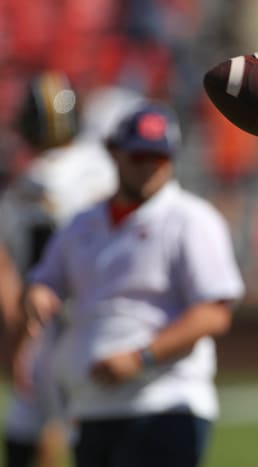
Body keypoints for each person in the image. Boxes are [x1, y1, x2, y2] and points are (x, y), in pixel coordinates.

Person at [21, 101, 246, 467]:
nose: (149, 167)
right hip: (91, 403)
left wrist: (141, 356)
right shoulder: (83, 223)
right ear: (114, 153)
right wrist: (39, 294)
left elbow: (213, 312)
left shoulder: (191, 219)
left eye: (158, 158)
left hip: (164, 400)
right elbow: (45, 279)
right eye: (138, 156)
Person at [0, 70, 119, 467]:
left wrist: (22, 336)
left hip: (63, 322)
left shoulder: (36, 182)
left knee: (57, 431)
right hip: (109, 314)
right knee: (31, 425)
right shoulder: (103, 161)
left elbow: (26, 269)